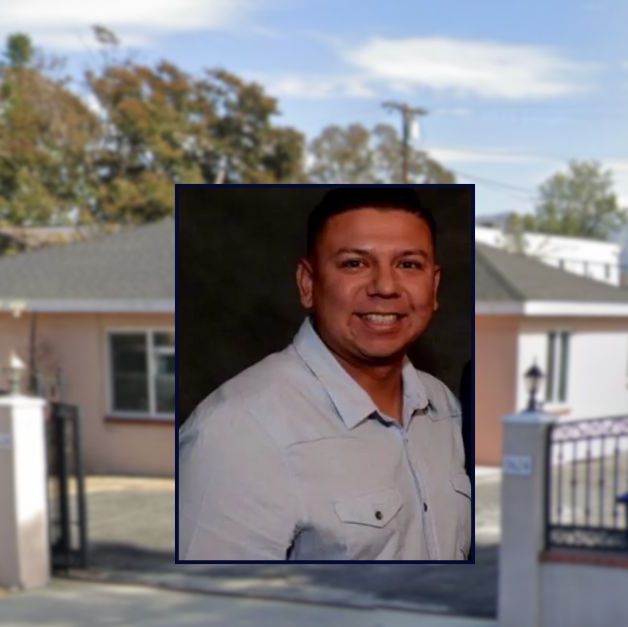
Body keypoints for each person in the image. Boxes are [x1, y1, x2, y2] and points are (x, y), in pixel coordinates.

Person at [178, 188, 471, 561]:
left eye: (408, 264)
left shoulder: (443, 406)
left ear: (434, 286)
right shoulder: (236, 434)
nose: (385, 286)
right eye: (354, 263)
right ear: (307, 284)